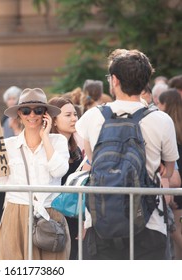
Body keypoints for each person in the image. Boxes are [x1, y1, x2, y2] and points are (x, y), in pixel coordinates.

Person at [76, 48, 179, 260]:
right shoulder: (161, 119)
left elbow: (93, 159)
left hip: (101, 220)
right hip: (149, 221)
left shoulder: (92, 117)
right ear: (145, 81)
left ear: (114, 80)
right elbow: (169, 170)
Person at [0, 88, 71, 260]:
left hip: (51, 215)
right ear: (19, 113)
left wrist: (45, 137)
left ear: (46, 114)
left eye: (38, 110)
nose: (32, 115)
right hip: (16, 215)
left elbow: (59, 171)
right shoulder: (7, 145)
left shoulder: (58, 141)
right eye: (26, 110)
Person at [48, 96, 83, 259]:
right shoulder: (47, 148)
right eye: (68, 115)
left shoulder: (77, 152)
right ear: (54, 121)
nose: (74, 118)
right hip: (52, 220)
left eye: (75, 114)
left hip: (75, 219)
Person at [158, 88, 182, 259]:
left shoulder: (167, 128)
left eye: (159, 103)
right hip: (176, 185)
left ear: (165, 104)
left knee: (177, 232)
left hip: (175, 184)